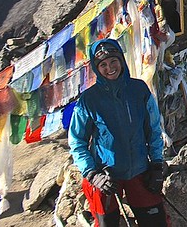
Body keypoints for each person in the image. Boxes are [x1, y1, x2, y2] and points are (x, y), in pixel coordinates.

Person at [68, 38, 169, 227]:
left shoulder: (139, 90)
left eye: (113, 61)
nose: (110, 68)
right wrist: (92, 174)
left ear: (121, 60)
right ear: (97, 69)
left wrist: (156, 164)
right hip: (105, 175)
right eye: (103, 65)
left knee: (156, 221)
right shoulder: (88, 100)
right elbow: (77, 141)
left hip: (140, 170)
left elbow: (153, 130)